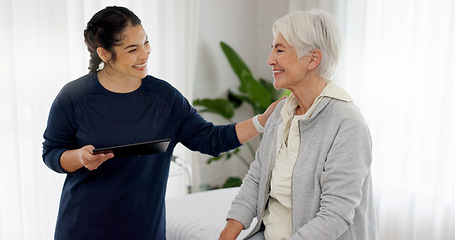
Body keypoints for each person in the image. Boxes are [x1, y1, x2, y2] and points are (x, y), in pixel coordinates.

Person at [42, 6, 279, 240]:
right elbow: (52, 153)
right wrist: (80, 158)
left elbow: (210, 139)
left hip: (143, 231)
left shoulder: (164, 98)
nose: (145, 54)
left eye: (146, 42)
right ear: (105, 54)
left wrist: (262, 121)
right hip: (83, 229)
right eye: (132, 49)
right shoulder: (74, 97)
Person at [219, 10, 378, 240]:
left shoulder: (347, 124)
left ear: (313, 59)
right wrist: (226, 235)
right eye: (272, 48)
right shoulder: (280, 113)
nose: (270, 59)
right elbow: (256, 178)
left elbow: (335, 216)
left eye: (280, 50)